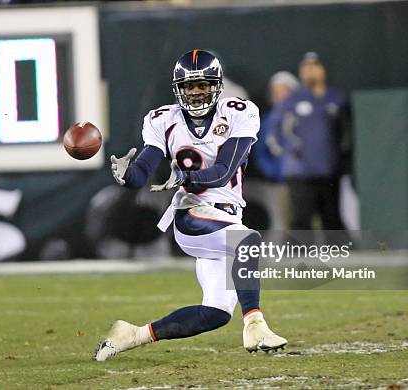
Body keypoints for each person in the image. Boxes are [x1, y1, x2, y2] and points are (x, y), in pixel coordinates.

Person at [94, 49, 287, 362]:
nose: (196, 92)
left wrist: (184, 174)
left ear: (217, 85)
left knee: (215, 313)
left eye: (203, 84)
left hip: (225, 214)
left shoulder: (239, 111)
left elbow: (224, 170)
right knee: (247, 241)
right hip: (192, 215)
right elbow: (145, 169)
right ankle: (255, 324)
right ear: (178, 89)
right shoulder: (162, 119)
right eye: (188, 86)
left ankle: (133, 334)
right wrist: (128, 176)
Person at [269, 52, 350, 231]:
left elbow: (345, 135)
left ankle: (339, 258)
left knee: (332, 219)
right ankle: (299, 260)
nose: (310, 72)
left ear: (324, 69)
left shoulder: (337, 98)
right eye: (306, 67)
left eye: (315, 66)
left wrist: (340, 161)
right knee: (301, 221)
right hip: (300, 173)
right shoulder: (292, 100)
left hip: (329, 172)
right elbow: (275, 133)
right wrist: (293, 151)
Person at [253, 71, 300, 182]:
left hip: (303, 179)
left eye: (284, 91)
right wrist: (272, 171)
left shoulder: (305, 118)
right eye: (276, 92)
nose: (279, 96)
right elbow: (260, 151)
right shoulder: (268, 120)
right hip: (277, 180)